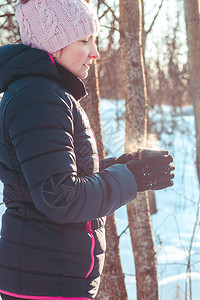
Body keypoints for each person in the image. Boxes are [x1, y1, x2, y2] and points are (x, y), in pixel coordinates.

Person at [0, 0, 175, 299]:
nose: (95, 52)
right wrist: (131, 178)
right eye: (84, 40)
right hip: (46, 283)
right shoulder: (39, 97)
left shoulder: (44, 93)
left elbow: (57, 180)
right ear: (53, 46)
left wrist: (125, 165)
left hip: (46, 277)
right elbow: (61, 198)